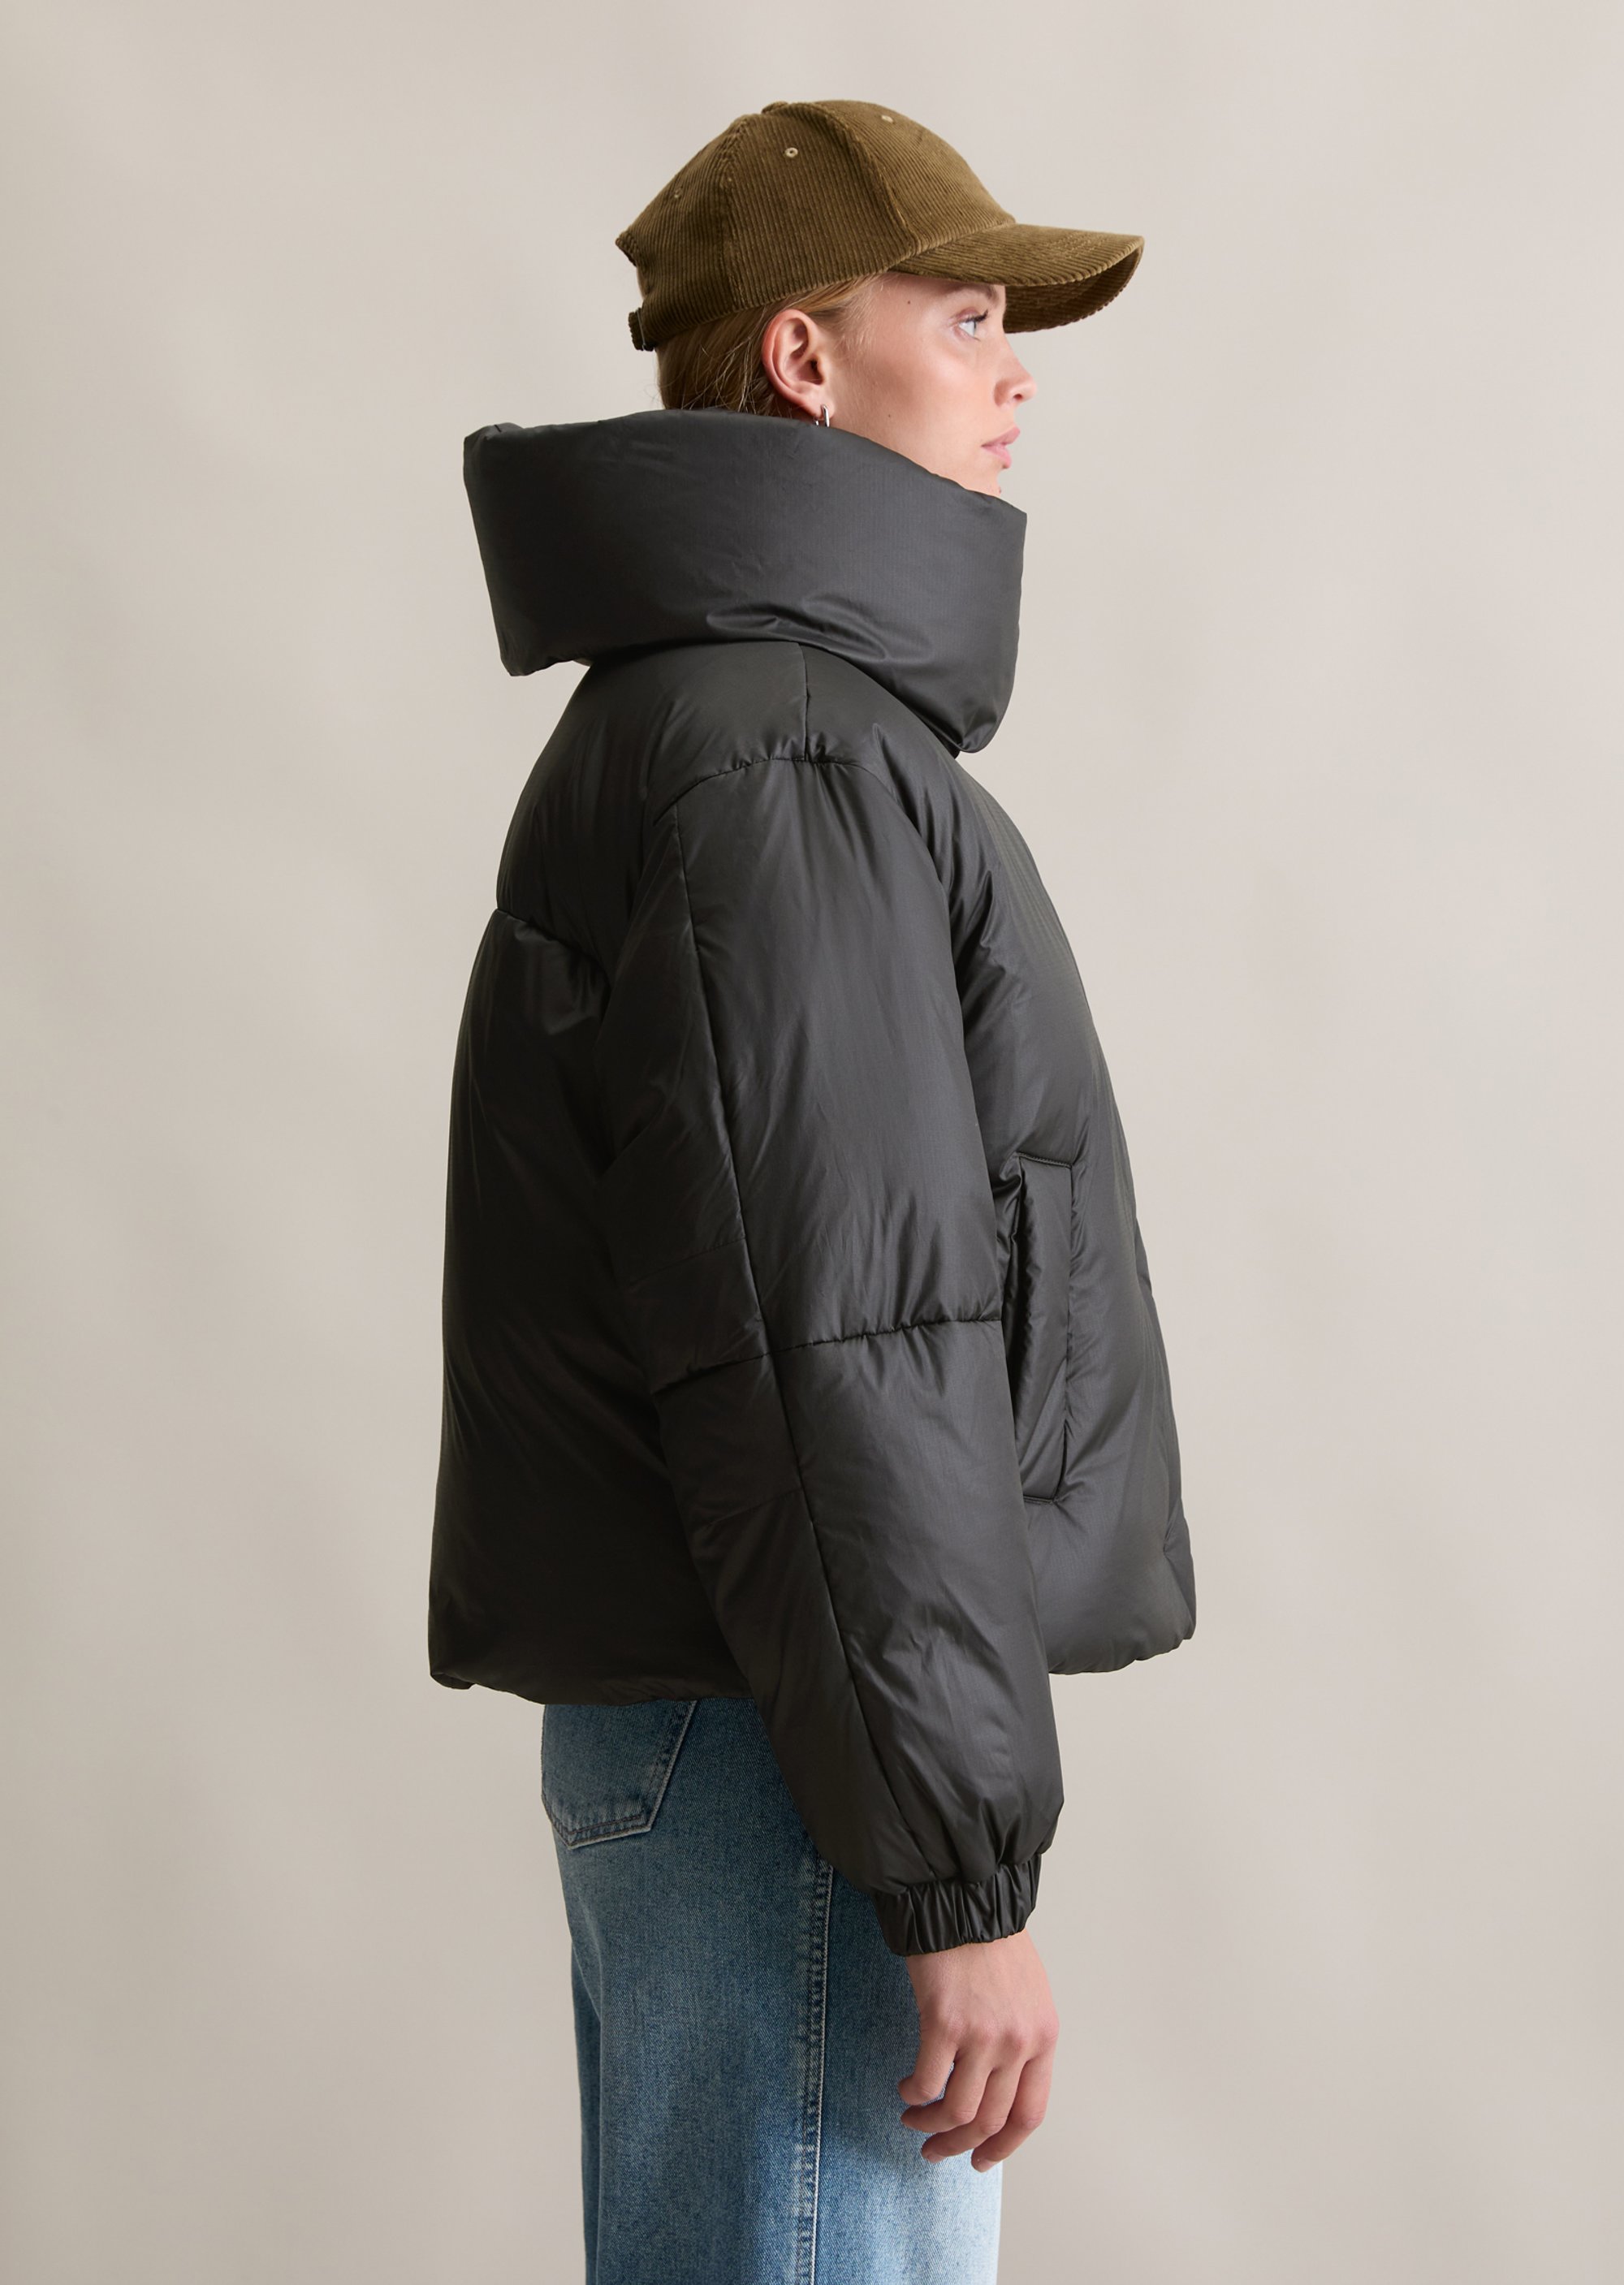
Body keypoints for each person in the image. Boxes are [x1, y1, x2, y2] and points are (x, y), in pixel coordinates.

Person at [429, 97, 1194, 2285]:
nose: (1013, 374)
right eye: (965, 320)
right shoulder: (778, 748)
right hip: (801, 1751)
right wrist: (954, 1878)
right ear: (801, 357)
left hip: (759, 1725)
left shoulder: (742, 723)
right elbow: (831, 1351)